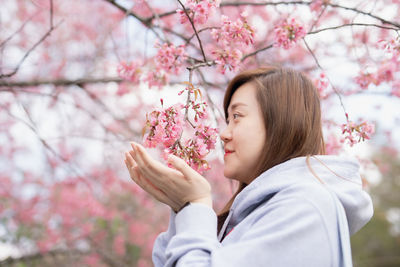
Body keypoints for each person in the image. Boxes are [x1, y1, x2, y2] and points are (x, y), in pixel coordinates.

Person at [124, 66, 373, 267]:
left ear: (281, 123)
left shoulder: (305, 206)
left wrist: (196, 204)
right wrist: (184, 209)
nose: (224, 133)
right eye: (227, 120)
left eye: (237, 117)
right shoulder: (259, 214)